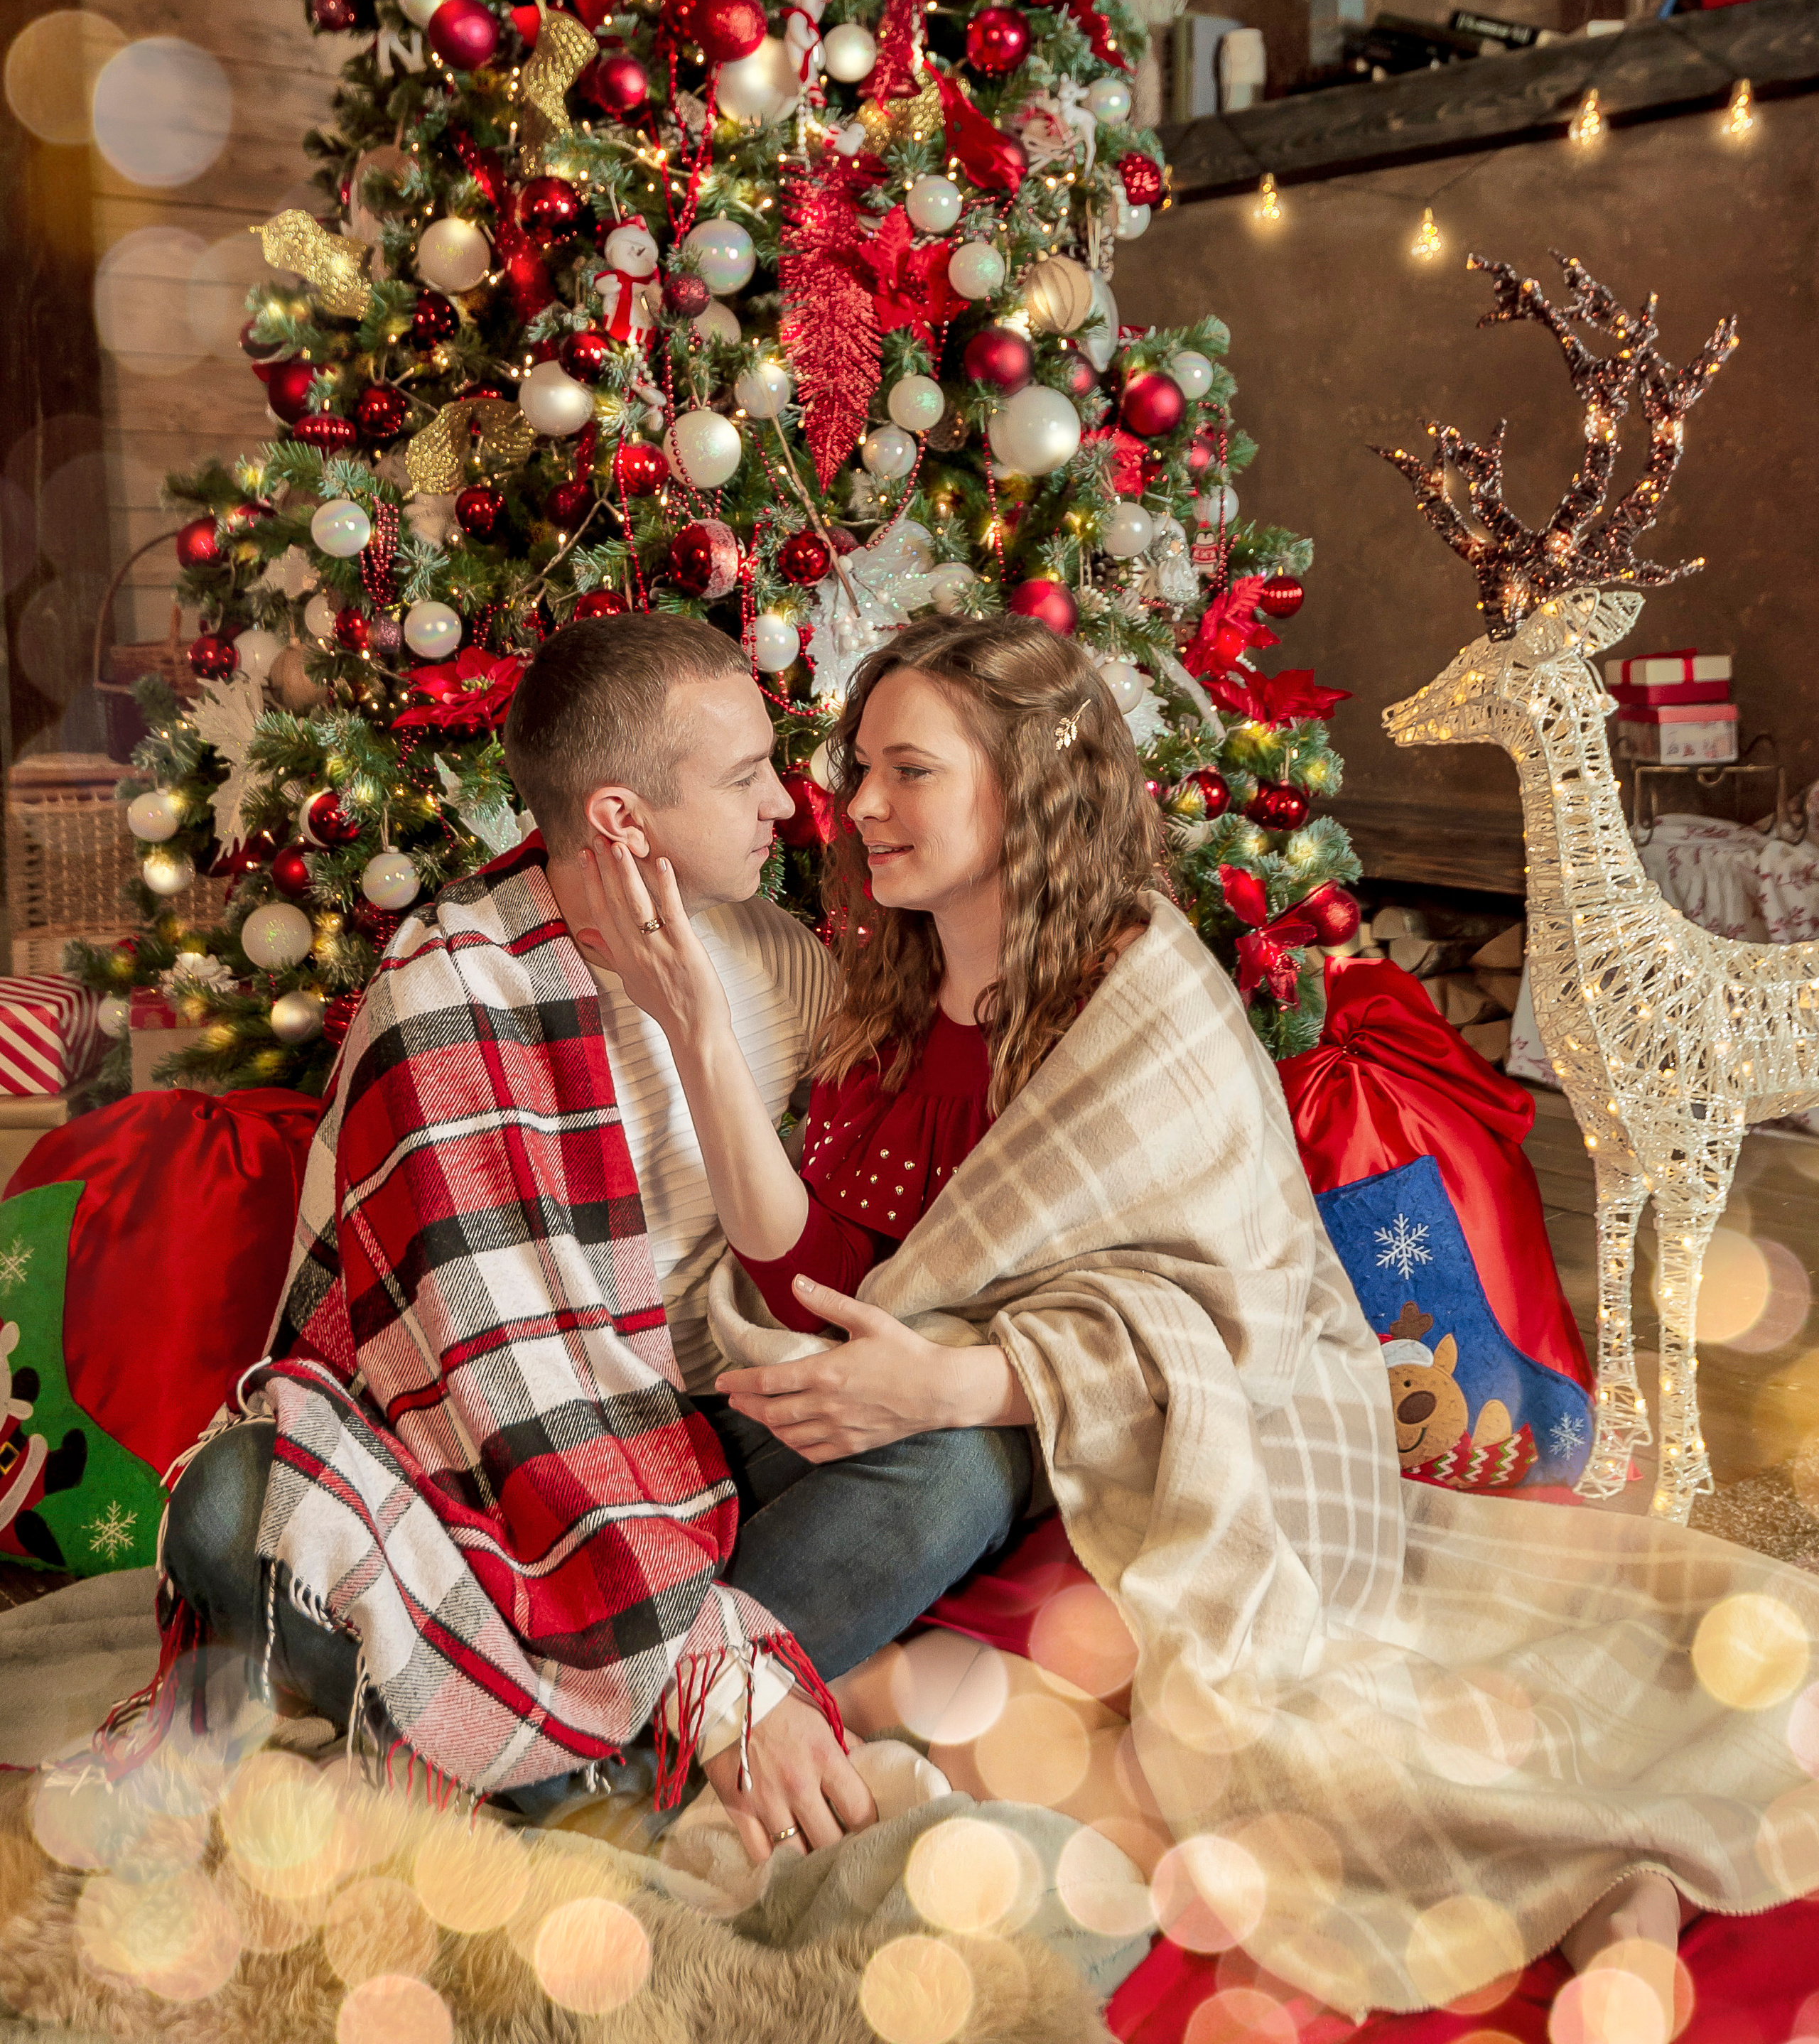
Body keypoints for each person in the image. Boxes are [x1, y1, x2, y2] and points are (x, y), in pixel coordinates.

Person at [579, 612, 1819, 2020]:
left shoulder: (1136, 994)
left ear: (1023, 782)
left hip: (1179, 1458)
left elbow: (1233, 1316)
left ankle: (1601, 1874)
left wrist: (959, 1387)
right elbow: (822, 1282)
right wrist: (692, 1032)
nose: (855, 805)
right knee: (926, 1702)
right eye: (855, 767)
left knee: (1208, 1725)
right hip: (994, 1455)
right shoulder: (897, 980)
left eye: (905, 770)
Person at [160, 613, 1030, 1860]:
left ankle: (572, 1758)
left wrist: (703, 1039)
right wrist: (717, 1654)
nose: (790, 806)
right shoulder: (445, 998)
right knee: (232, 1503)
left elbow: (824, 1269)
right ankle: (687, 1728)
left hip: (708, 1428)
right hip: (473, 1458)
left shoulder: (778, 964)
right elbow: (486, 1381)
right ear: (622, 818)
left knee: (966, 1464)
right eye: (743, 780)